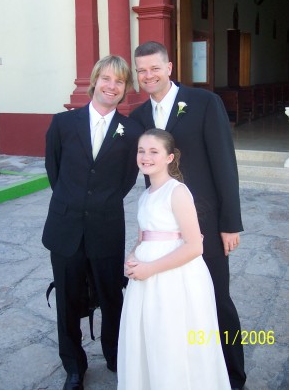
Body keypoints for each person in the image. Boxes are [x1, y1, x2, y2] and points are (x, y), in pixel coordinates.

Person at [130, 41, 246, 390]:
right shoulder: (138, 117)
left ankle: (233, 375)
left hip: (206, 222)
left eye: (154, 68)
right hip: (164, 228)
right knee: (173, 303)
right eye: (142, 70)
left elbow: (225, 164)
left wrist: (230, 224)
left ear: (168, 68)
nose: (148, 75)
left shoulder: (204, 103)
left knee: (216, 300)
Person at [42, 55, 143, 390]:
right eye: (106, 78)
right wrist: (75, 202)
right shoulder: (62, 124)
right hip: (66, 227)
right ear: (95, 80)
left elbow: (127, 178)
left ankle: (115, 356)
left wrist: (99, 203)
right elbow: (55, 172)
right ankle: (73, 366)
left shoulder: (133, 132)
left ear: (125, 89)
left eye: (119, 81)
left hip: (106, 227)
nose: (111, 86)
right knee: (67, 300)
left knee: (112, 297)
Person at [117, 128, 231, 390]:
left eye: (154, 151)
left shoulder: (177, 192)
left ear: (170, 157)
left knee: (171, 340)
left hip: (174, 278)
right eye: (141, 151)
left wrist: (150, 268)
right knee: (150, 337)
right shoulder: (145, 195)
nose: (145, 157)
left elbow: (194, 246)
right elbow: (144, 237)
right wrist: (133, 258)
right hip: (145, 280)